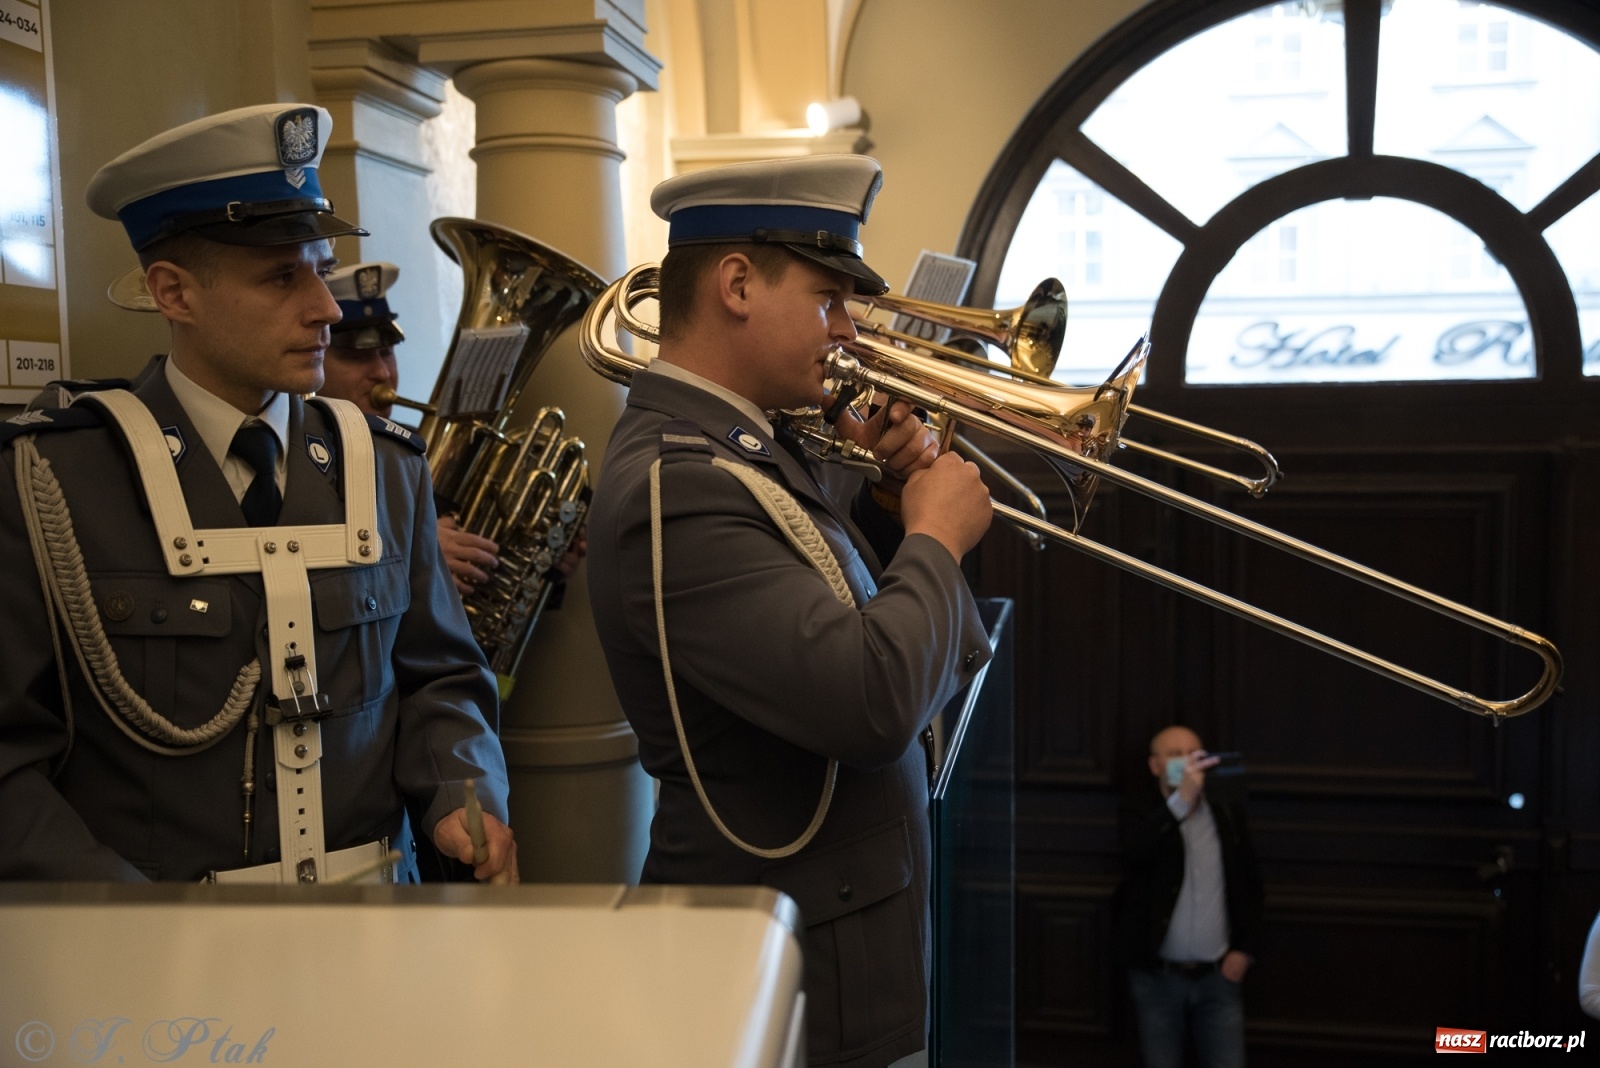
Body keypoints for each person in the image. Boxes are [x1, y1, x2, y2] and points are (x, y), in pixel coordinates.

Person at [0, 103, 515, 884]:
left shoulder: (384, 468)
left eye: (317, 266)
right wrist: (122, 924)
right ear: (174, 293)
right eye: (283, 276)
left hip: (377, 937)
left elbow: (439, 680)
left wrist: (459, 792)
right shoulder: (53, 483)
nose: (325, 307)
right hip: (161, 966)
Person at [586, 154, 995, 1068]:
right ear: (737, 284)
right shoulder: (677, 483)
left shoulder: (756, 451)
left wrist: (895, 504)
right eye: (829, 301)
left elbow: (903, 646)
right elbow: (871, 704)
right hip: (785, 969)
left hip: (838, 948)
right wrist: (936, 540)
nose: (848, 333)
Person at [1115, 726, 1264, 1068]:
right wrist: (1180, 801)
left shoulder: (1225, 814)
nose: (1186, 762)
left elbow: (1250, 884)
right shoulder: (1139, 812)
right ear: (1155, 766)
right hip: (1157, 978)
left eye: (1193, 754)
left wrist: (1244, 949)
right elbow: (1134, 854)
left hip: (1218, 979)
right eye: (1175, 755)